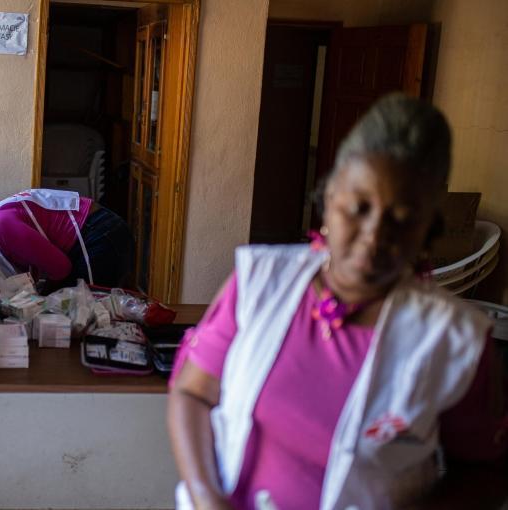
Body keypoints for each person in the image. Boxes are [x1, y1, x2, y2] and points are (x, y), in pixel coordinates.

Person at [167, 94, 508, 510]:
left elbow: (485, 474)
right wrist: (206, 496)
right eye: (359, 207)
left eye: (402, 218)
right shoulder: (259, 285)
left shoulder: (456, 341)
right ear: (328, 199)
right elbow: (192, 394)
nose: (374, 235)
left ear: (427, 229)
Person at [0, 189, 134, 289]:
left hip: (99, 234)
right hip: (102, 230)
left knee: (88, 311)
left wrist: (42, 292)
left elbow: (61, 268)